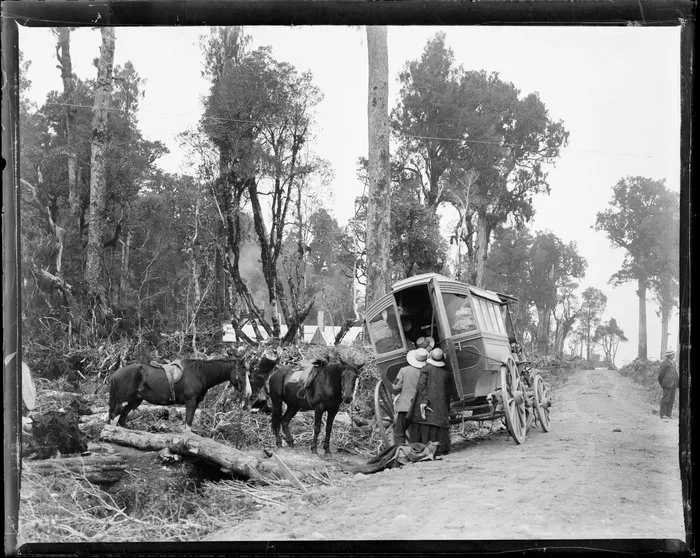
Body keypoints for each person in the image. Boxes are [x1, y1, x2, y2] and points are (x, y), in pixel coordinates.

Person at [408, 348, 455, 455]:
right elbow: (448, 392)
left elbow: (421, 385)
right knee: (438, 421)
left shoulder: (426, 368)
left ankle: (424, 447)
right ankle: (440, 448)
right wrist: (447, 407)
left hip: (428, 400)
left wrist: (424, 400)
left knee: (425, 420)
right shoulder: (446, 373)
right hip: (441, 403)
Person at [392, 348, 429, 444]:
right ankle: (418, 452)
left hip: (405, 406)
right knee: (416, 433)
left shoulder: (403, 370)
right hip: (420, 407)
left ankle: (401, 452)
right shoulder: (427, 371)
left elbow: (395, 387)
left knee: (399, 432)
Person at [658, 349, 679, 419]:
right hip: (667, 384)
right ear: (669, 356)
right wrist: (663, 383)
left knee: (671, 399)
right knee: (666, 399)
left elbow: (675, 374)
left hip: (674, 384)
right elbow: (660, 375)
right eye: (673, 354)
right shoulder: (665, 363)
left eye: (674, 354)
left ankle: (668, 414)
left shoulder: (673, 363)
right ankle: (662, 414)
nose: (674, 355)